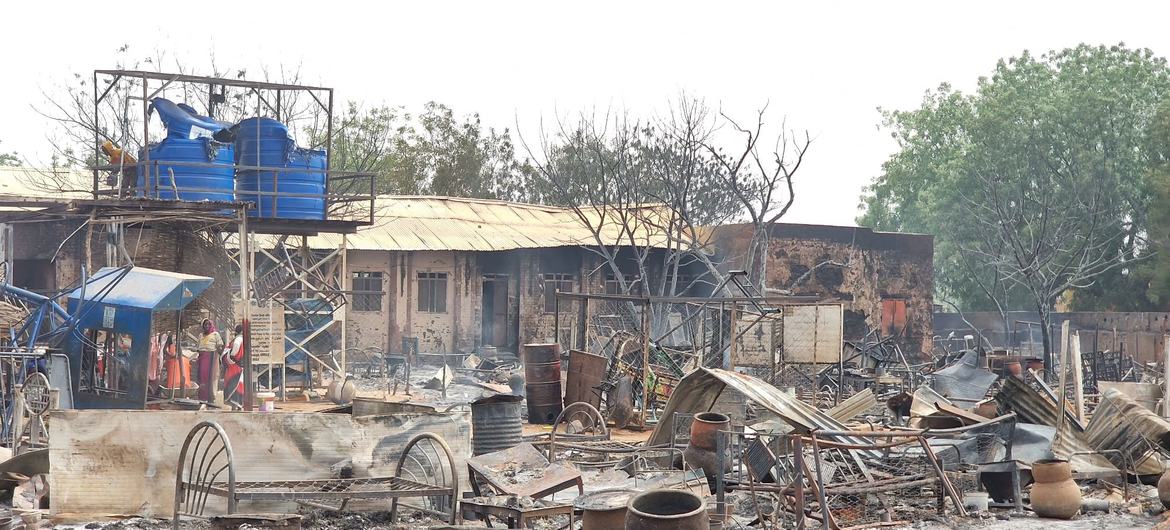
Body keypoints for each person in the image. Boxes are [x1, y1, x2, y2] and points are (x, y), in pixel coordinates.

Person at [196, 319, 224, 402]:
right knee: (202, 377)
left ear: (211, 325)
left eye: (208, 324)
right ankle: (202, 397)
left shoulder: (215, 334)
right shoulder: (201, 335)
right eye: (205, 324)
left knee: (212, 377)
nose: (207, 326)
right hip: (202, 358)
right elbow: (198, 348)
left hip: (212, 357)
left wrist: (219, 357)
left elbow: (220, 347)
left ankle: (211, 397)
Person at [222, 324, 245, 409]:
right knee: (239, 385)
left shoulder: (238, 339)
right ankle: (238, 406)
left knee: (233, 385)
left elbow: (234, 352)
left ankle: (234, 406)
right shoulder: (243, 339)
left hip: (234, 366)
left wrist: (229, 355)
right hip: (240, 365)